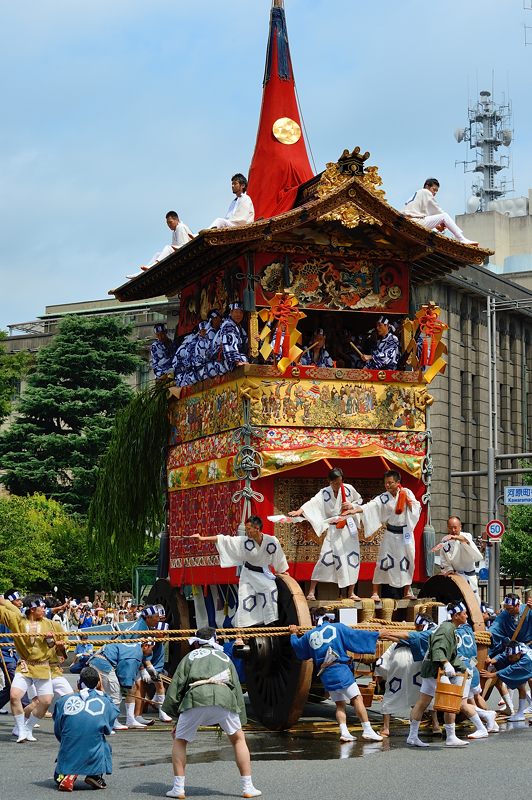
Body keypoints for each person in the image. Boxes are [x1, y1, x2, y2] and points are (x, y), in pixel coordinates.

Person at [161, 626, 261, 799]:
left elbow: (177, 686)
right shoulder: (224, 656)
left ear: (196, 643)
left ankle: (178, 788)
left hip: (195, 698)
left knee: (180, 740)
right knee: (238, 739)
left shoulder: (189, 657)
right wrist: (241, 716)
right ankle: (248, 787)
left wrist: (175, 716)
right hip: (224, 697)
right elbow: (236, 687)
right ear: (216, 640)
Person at [289, 608, 382, 743]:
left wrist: (293, 634)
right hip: (340, 671)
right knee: (357, 699)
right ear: (330, 618)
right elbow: (356, 636)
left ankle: (344, 732)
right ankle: (367, 729)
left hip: (326, 674)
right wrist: (376, 635)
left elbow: (299, 648)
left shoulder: (309, 635)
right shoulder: (338, 628)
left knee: (339, 704)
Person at [407, 601, 488, 747]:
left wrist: (461, 667)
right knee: (449, 701)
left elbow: (450, 653)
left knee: (423, 702)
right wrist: (445, 663)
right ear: (456, 616)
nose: (466, 616)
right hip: (436, 669)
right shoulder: (446, 629)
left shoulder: (449, 627)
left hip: (431, 668)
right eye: (464, 614)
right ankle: (451, 736)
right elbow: (438, 648)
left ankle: (412, 736)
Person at [191, 515, 289, 627]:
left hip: (264, 574)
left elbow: (279, 556)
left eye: (249, 529)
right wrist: (202, 538)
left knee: (271, 589)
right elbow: (224, 539)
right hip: (248, 575)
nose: (247, 532)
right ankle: (240, 631)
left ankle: (270, 620)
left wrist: (281, 569)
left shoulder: (272, 541)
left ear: (257, 528)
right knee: (245, 599)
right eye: (246, 529)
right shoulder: (244, 541)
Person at [288, 467, 363, 601]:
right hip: (334, 530)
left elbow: (359, 501)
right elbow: (312, 503)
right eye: (335, 483)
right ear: (330, 481)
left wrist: (351, 505)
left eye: (340, 482)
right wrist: (299, 511)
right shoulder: (324, 493)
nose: (338, 485)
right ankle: (311, 592)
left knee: (351, 559)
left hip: (348, 529)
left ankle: (351, 592)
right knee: (325, 557)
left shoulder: (349, 489)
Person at [0, 594, 63, 743]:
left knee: (46, 701)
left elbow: (59, 645)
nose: (44, 609)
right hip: (25, 666)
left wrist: (54, 642)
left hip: (43, 666)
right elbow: (4, 611)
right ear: (33, 608)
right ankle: (21, 729)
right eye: (41, 606)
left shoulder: (50, 624)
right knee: (14, 695)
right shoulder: (18, 621)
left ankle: (28, 727)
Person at [352, 470, 421, 601]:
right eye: (386, 483)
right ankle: (375, 592)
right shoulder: (384, 497)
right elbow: (371, 505)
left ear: (397, 483)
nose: (387, 485)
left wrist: (410, 503)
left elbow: (416, 509)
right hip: (390, 533)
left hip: (405, 533)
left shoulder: (407, 492)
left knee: (408, 560)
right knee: (383, 560)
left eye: (390, 483)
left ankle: (407, 591)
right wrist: (356, 509)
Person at [53, 665, 119, 792]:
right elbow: (107, 729)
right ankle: (95, 775)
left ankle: (66, 774)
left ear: (79, 683)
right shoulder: (105, 701)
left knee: (69, 742)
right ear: (98, 683)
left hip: (69, 747)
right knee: (103, 744)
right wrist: (103, 693)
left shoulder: (64, 701)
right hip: (92, 749)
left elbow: (58, 728)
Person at [377, 613, 440, 737]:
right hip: (420, 667)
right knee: (426, 694)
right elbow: (406, 640)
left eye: (417, 626)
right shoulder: (435, 632)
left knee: (392, 691)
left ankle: (385, 728)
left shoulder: (426, 633)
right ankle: (436, 725)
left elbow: (382, 662)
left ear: (421, 626)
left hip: (401, 664)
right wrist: (389, 635)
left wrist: (386, 633)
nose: (415, 629)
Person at [89, 639, 156, 730]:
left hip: (100, 660)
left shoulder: (134, 647)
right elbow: (126, 680)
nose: (152, 651)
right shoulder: (135, 656)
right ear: (145, 646)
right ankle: (113, 721)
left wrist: (142, 670)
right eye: (152, 648)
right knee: (115, 695)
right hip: (103, 663)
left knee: (111, 692)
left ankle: (129, 719)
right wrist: (129, 684)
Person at [401, 178, 479, 245]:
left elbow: (427, 215)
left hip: (408, 221)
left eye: (436, 191)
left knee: (437, 231)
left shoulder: (418, 194)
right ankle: (461, 239)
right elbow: (438, 211)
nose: (435, 193)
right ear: (427, 186)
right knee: (444, 216)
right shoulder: (425, 192)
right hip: (415, 221)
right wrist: (444, 223)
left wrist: (438, 225)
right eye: (434, 189)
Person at [127, 210, 194, 278]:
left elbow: (184, 244)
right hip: (179, 250)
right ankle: (142, 271)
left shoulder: (181, 226)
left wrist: (174, 248)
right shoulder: (174, 231)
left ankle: (154, 265)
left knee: (168, 247)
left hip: (186, 249)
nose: (169, 225)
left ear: (177, 219)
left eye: (170, 222)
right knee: (158, 254)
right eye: (167, 223)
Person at [433, 516, 483, 599]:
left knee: (474, 599)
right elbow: (444, 559)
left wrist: (454, 537)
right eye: (450, 528)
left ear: (460, 527)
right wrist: (449, 570)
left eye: (455, 528)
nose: (453, 531)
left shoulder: (466, 535)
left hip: (469, 576)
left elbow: (465, 540)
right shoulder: (444, 540)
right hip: (455, 576)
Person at [481, 642, 532, 722]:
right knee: (520, 685)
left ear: (518, 654)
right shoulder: (515, 650)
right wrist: (492, 661)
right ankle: (520, 713)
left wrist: (492, 675)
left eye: (511, 657)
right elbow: (503, 656)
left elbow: (511, 669)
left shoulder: (526, 660)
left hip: (529, 665)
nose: (509, 659)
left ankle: (523, 711)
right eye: (509, 657)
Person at [0, 590, 27, 715]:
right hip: (5, 653)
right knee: (17, 682)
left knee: (11, 685)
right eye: (17, 600)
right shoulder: (2, 614)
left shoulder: (17, 615)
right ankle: (27, 710)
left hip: (14, 653)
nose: (20, 602)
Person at [218, 302, 249, 373]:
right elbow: (228, 344)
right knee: (243, 359)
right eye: (236, 312)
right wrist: (236, 361)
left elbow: (246, 341)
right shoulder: (228, 325)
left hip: (234, 358)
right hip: (225, 361)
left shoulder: (239, 327)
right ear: (231, 313)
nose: (239, 315)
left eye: (241, 313)